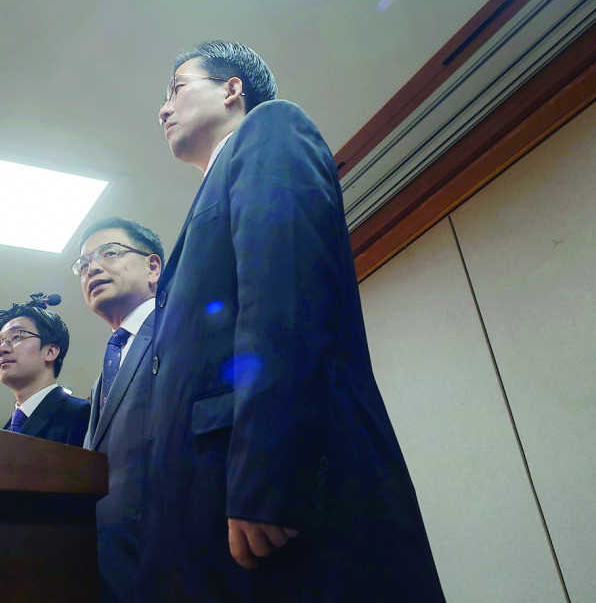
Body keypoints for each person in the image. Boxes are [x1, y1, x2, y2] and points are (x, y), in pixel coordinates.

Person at [140, 40, 446, 601]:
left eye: (176, 89)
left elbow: (287, 298)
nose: (162, 109)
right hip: (210, 505)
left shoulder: (271, 130)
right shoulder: (206, 197)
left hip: (275, 500)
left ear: (233, 88)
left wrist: (270, 479)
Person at [72, 217, 164, 603]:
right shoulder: (103, 376)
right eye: (83, 264)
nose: (92, 267)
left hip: (171, 558)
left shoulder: (180, 327)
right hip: (111, 569)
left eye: (109, 253)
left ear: (152, 267)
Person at [0, 306, 89, 446]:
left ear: (50, 352)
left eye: (17, 337)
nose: (1, 349)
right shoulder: (3, 434)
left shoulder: (81, 413)